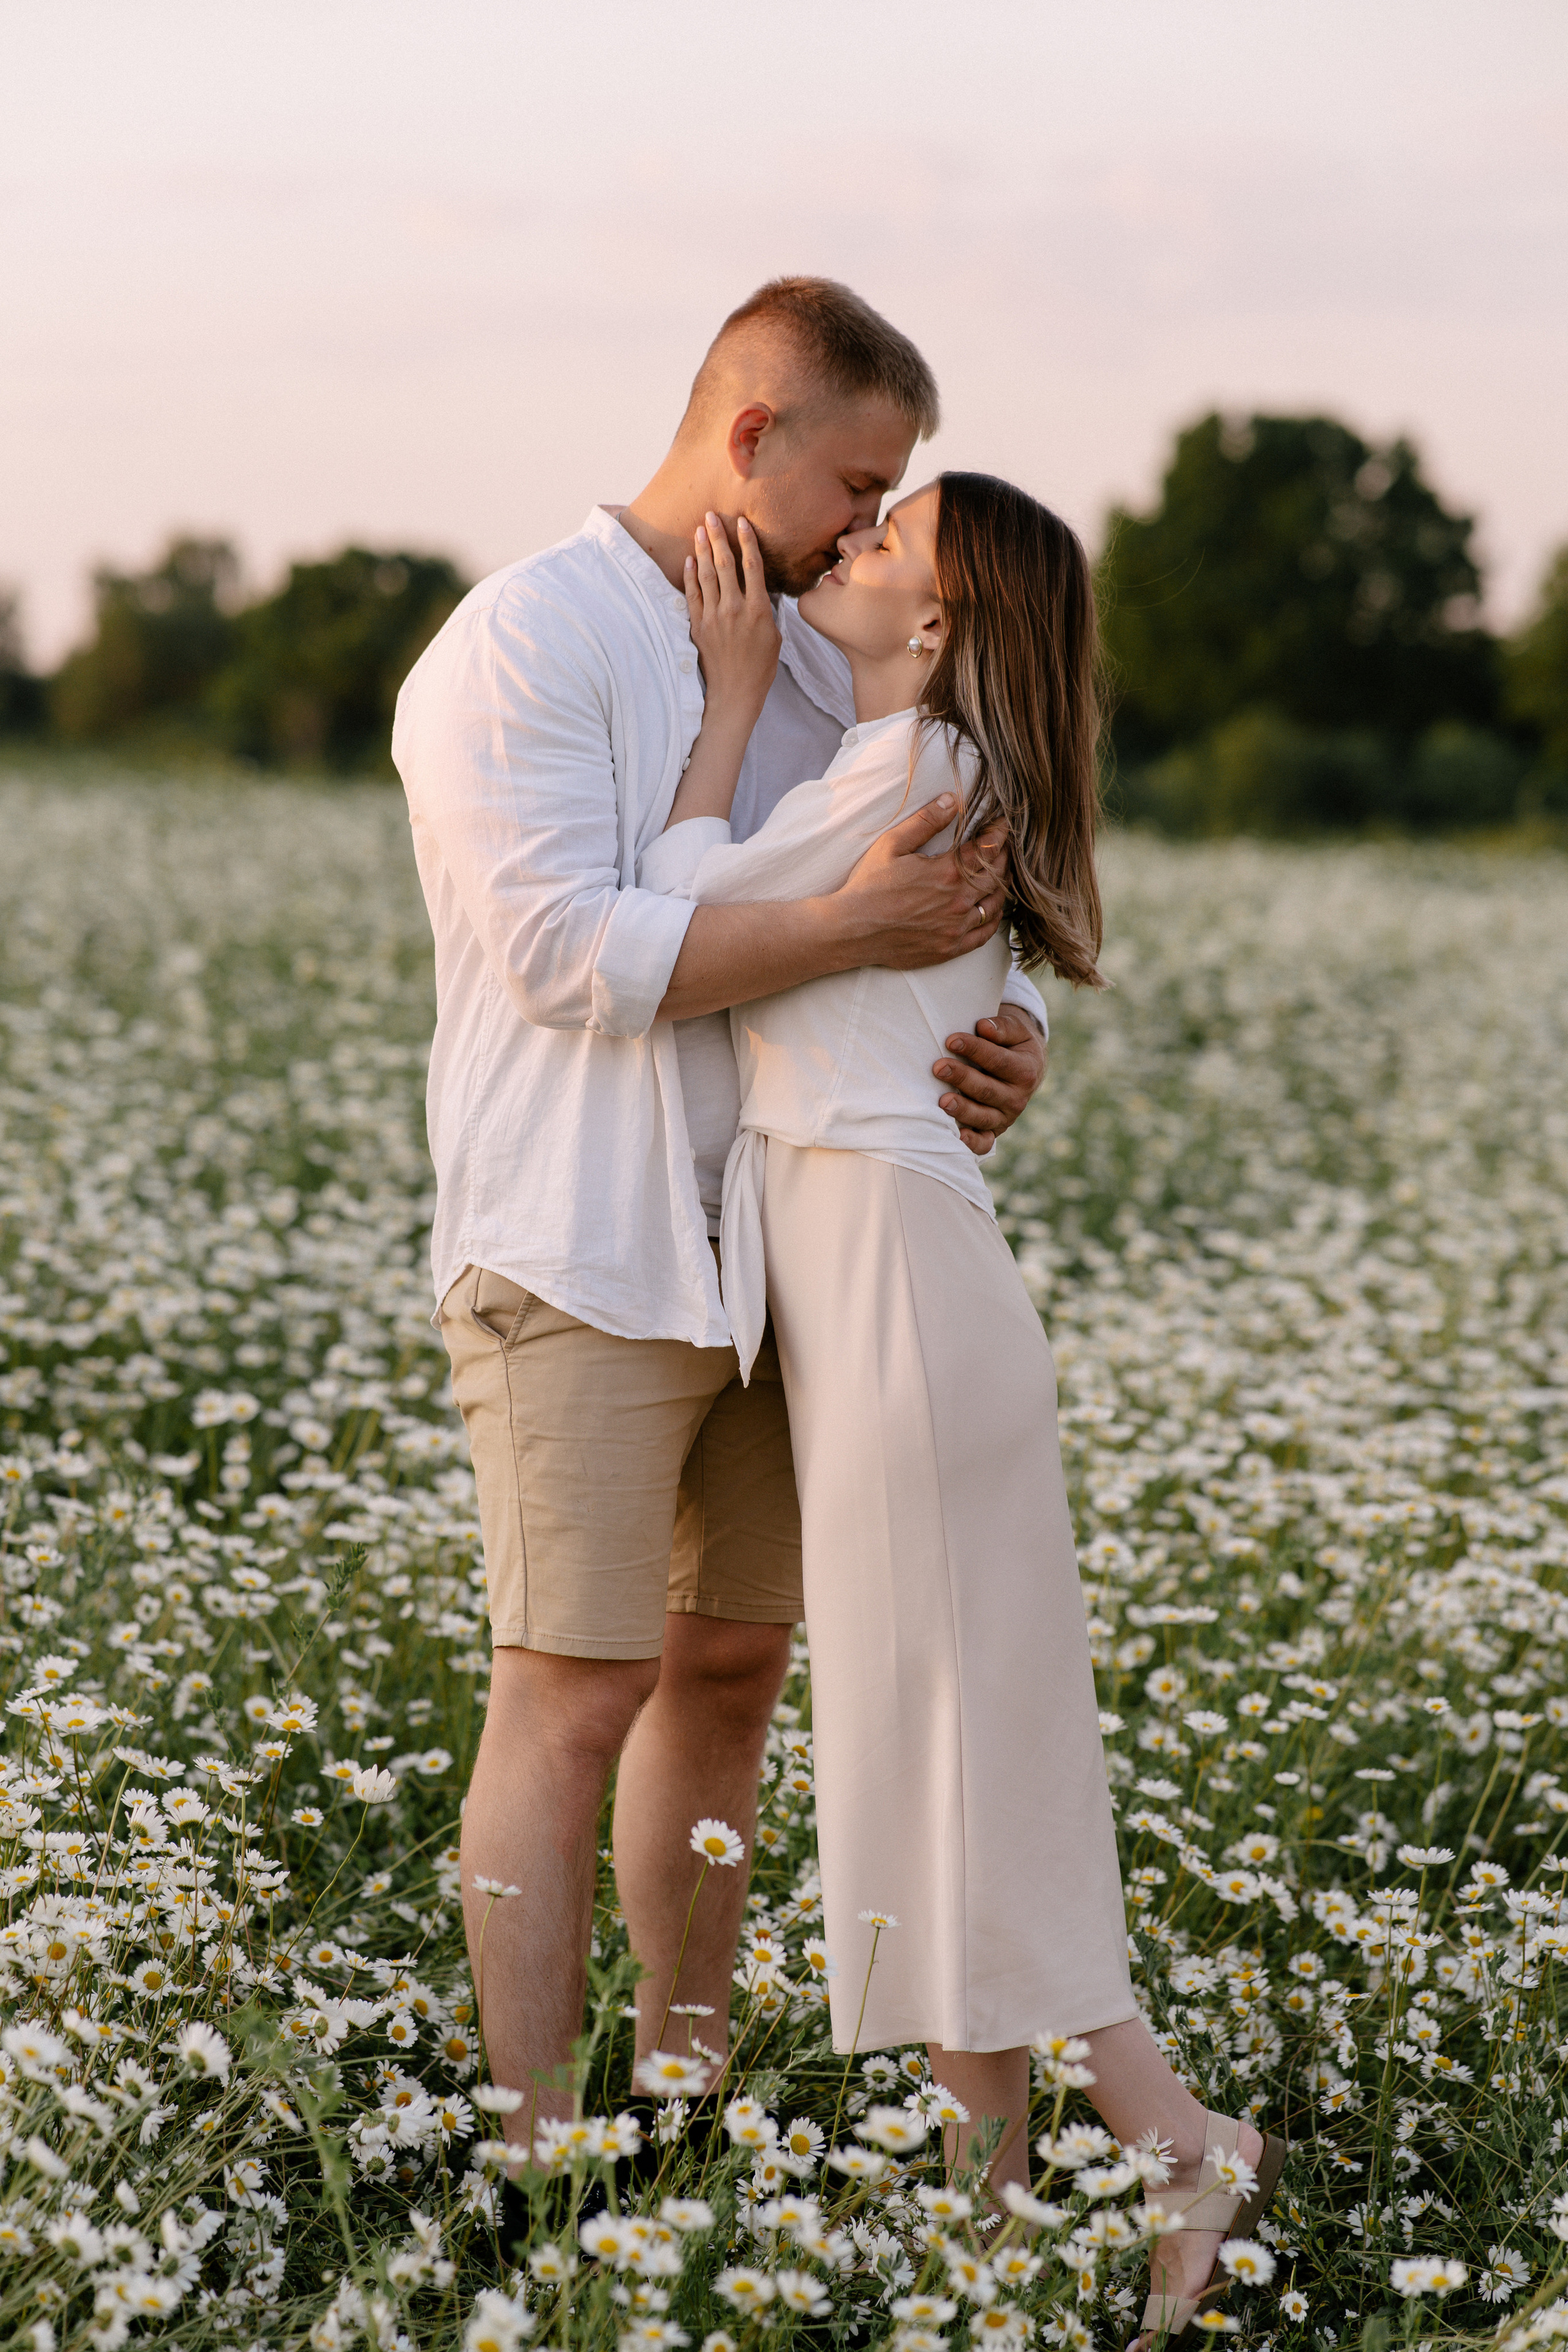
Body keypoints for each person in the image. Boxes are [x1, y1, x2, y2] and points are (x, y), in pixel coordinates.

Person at [391, 279, 1055, 2161]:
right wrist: (858, 931)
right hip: (582, 1239)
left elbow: (910, 921)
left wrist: (995, 1045)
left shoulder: (842, 667)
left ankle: (676, 2112)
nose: (870, 530)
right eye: (857, 484)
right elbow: (562, 954)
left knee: (732, 1670)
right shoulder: (523, 639)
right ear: (751, 435)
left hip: (782, 1253)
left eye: (891, 502)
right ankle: (530, 2155)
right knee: (574, 1686)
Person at [639, 478, 1286, 2346]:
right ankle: (989, 2218)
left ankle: (1173, 2150)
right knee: (938, 1757)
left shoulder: (905, 782)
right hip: (898, 1294)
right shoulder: (929, 775)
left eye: (881, 542)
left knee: (953, 1762)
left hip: (905, 1303)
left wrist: (731, 700)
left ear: (932, 629)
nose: (841, 552)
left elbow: (677, 908)